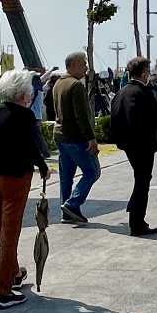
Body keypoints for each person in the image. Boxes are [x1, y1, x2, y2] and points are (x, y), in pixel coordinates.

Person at [0, 69, 51, 305]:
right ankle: (4, 291)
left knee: (3, 229)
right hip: (14, 178)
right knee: (11, 233)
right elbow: (31, 146)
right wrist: (43, 166)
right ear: (22, 94)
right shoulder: (25, 116)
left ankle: (15, 272)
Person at [111, 56, 157, 236]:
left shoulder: (121, 92)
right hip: (142, 144)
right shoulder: (143, 93)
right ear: (144, 73)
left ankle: (135, 216)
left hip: (127, 143)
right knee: (143, 181)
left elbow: (114, 116)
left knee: (141, 179)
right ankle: (137, 222)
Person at [52, 51, 100, 224]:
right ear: (72, 65)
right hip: (75, 137)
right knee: (92, 171)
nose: (86, 67)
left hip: (61, 136)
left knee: (66, 176)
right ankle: (72, 204)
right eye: (83, 64)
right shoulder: (76, 85)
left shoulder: (58, 83)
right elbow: (81, 116)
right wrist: (91, 139)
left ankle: (67, 212)